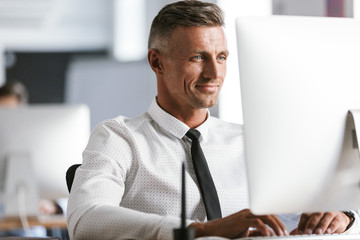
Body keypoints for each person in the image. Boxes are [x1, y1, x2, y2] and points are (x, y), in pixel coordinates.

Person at [66, 1, 359, 239]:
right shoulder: (120, 138)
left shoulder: (252, 142)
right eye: (197, 57)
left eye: (221, 57)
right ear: (157, 62)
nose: (214, 74)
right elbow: (85, 218)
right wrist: (198, 231)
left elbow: (307, 211)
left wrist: (342, 217)